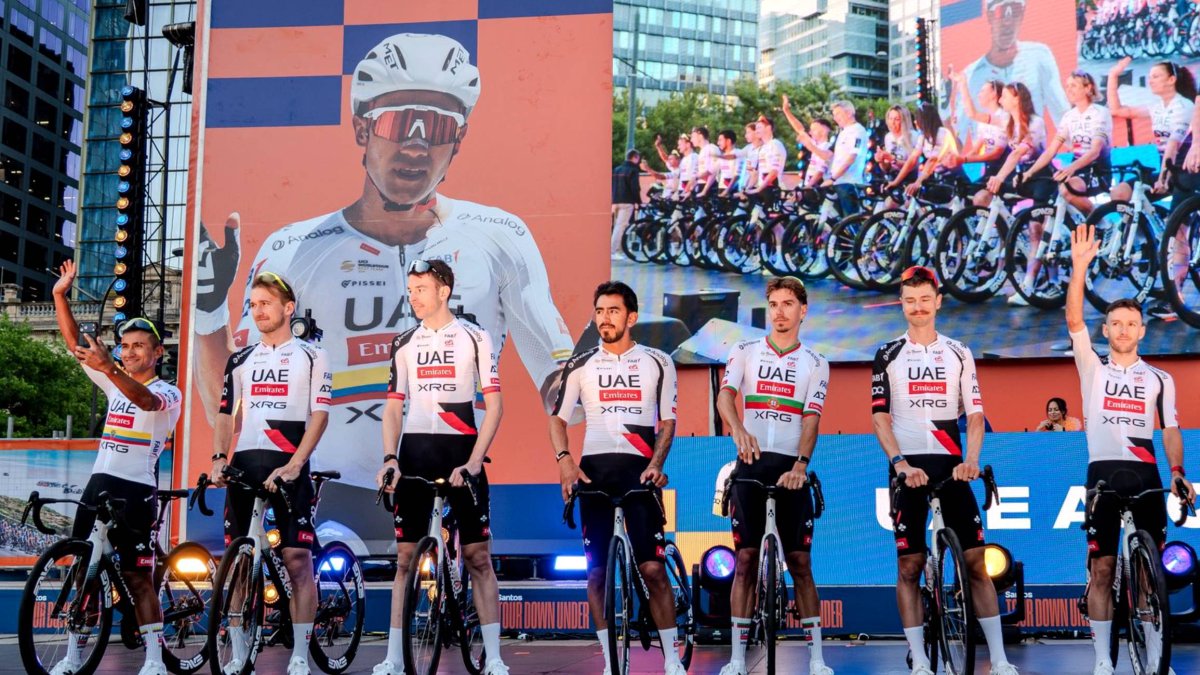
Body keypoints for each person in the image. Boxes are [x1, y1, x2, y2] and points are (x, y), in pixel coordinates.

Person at [191, 33, 575, 522]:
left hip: (443, 476)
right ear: (361, 128)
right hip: (325, 489)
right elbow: (228, 403)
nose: (416, 144)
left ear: (458, 139)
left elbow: (563, 388)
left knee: (464, 577)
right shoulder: (293, 247)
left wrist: (597, 371)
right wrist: (208, 311)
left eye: (435, 125)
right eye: (398, 121)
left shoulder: (500, 235)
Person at [871, 265, 1018, 675]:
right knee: (910, 567)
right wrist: (900, 464)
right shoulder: (887, 353)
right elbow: (880, 418)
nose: (918, 307)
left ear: (937, 302)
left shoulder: (958, 351)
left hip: (952, 467)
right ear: (902, 304)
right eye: (910, 300)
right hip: (908, 469)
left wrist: (971, 460)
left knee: (975, 563)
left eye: (924, 299)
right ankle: (919, 659)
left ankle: (1001, 659)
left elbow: (974, 414)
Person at [1067, 225, 1195, 675]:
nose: (1123, 330)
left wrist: (1178, 470)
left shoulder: (1161, 379)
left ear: (1142, 330)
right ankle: (1103, 660)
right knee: (1102, 570)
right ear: (1107, 330)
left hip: (1145, 476)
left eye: (1131, 324)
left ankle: (1157, 655)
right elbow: (1073, 321)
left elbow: (1171, 430)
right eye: (1116, 324)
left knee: (1148, 579)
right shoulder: (1092, 369)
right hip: (1102, 476)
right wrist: (1080, 267)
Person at [374, 259, 509, 675]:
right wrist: (390, 458)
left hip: (461, 454)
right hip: (415, 454)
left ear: (443, 291)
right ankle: (394, 657)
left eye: (421, 288)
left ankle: (496, 658)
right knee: (403, 560)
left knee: (477, 558)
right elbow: (394, 407)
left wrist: (472, 462)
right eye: (410, 289)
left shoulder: (475, 337)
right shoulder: (404, 342)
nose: (413, 296)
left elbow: (495, 405)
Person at [51, 260, 182, 675]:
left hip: (136, 490)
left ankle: (155, 662)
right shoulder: (114, 378)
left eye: (138, 346)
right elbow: (77, 345)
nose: (128, 353)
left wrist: (110, 367)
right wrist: (59, 295)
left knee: (139, 578)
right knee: (82, 576)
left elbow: (144, 402)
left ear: (158, 352)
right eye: (124, 346)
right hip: (99, 484)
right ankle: (72, 658)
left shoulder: (168, 391)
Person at [550, 281, 683, 675]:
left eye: (612, 311)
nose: (604, 319)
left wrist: (657, 463)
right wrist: (565, 463)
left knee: (653, 570)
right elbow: (557, 419)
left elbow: (668, 421)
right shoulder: (581, 364)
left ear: (631, 317)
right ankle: (610, 662)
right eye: (599, 311)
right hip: (594, 475)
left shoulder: (658, 361)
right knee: (596, 574)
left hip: (639, 472)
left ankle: (672, 660)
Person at [212, 271, 331, 675]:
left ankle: (300, 652)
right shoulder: (241, 358)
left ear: (288, 308)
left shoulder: (313, 354)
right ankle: (239, 651)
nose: (259, 311)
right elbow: (226, 413)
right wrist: (217, 457)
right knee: (240, 561)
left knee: (297, 559)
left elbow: (319, 414)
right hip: (246, 465)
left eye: (266, 303)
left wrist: (297, 462)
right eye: (254, 304)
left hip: (289, 464)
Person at [716, 277, 833, 675]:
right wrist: (737, 429)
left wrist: (801, 464)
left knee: (800, 563)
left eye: (788, 304)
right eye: (774, 304)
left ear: (803, 310)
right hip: (750, 464)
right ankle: (736, 658)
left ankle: (816, 658)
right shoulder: (745, 350)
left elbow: (811, 418)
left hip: (791, 468)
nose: (780, 312)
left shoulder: (816, 362)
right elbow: (725, 396)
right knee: (745, 560)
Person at [1011, 71, 1112, 306]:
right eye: (1067, 85)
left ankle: (1104, 225)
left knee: (1066, 189)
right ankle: (1059, 259)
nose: (1069, 89)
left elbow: (1095, 150)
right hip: (1077, 171)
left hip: (1098, 171)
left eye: (1074, 85)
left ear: (1088, 88)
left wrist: (1070, 169)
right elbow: (1050, 151)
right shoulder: (1068, 117)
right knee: (1056, 199)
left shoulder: (1100, 113)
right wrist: (1030, 172)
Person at [951, 0, 1068, 142]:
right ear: (990, 16)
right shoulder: (970, 74)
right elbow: (962, 132)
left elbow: (1063, 117)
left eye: (1015, 10)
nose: (1007, 22)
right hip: (993, 160)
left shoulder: (1039, 56)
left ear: (1023, 13)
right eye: (1001, 12)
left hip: (1031, 158)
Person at [1106, 58, 1196, 203]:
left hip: (1188, 173)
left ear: (1171, 79)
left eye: (1156, 76)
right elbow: (1117, 110)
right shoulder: (1156, 107)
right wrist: (1113, 76)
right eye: (1149, 77)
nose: (1150, 81)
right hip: (1169, 171)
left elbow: (1173, 145)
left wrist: (1162, 178)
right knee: (1120, 193)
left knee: (1177, 226)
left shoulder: (1184, 106)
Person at [786, 98, 870, 215]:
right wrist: (809, 145)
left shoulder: (857, 130)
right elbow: (827, 155)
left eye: (838, 114)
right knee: (837, 222)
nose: (835, 118)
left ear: (849, 113)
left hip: (849, 182)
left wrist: (833, 178)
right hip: (837, 183)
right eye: (834, 115)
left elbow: (852, 158)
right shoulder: (841, 132)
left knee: (850, 221)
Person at [950, 73, 1010, 207]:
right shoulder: (984, 122)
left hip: (1004, 173)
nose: (979, 94)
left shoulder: (1004, 117)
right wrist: (957, 161)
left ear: (994, 93)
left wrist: (963, 84)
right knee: (961, 194)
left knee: (980, 199)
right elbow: (976, 149)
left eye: (982, 91)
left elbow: (996, 154)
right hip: (989, 172)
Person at [888, 104, 964, 197]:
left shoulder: (942, 133)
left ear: (925, 120)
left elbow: (933, 160)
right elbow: (912, 160)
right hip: (936, 179)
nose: (915, 122)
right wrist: (895, 182)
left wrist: (917, 182)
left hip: (952, 180)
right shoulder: (923, 137)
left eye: (918, 119)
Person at [612, 149, 643, 259]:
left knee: (617, 225)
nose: (638, 162)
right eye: (638, 159)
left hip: (615, 201)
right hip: (627, 202)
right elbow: (635, 188)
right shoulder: (633, 170)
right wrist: (638, 202)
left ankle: (619, 250)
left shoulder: (617, 169)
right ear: (635, 157)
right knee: (621, 227)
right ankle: (614, 251)